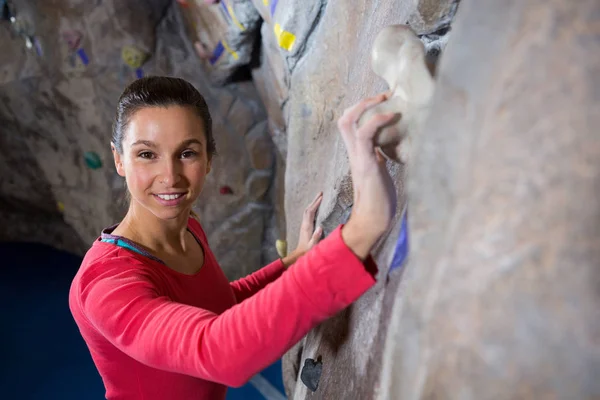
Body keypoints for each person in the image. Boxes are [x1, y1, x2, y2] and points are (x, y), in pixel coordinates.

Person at [69, 76, 397, 400]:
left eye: (186, 153)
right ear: (118, 159)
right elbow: (217, 351)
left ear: (209, 158)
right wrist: (362, 229)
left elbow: (219, 302)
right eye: (146, 154)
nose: (169, 177)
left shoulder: (187, 228)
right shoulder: (105, 283)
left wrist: (295, 262)